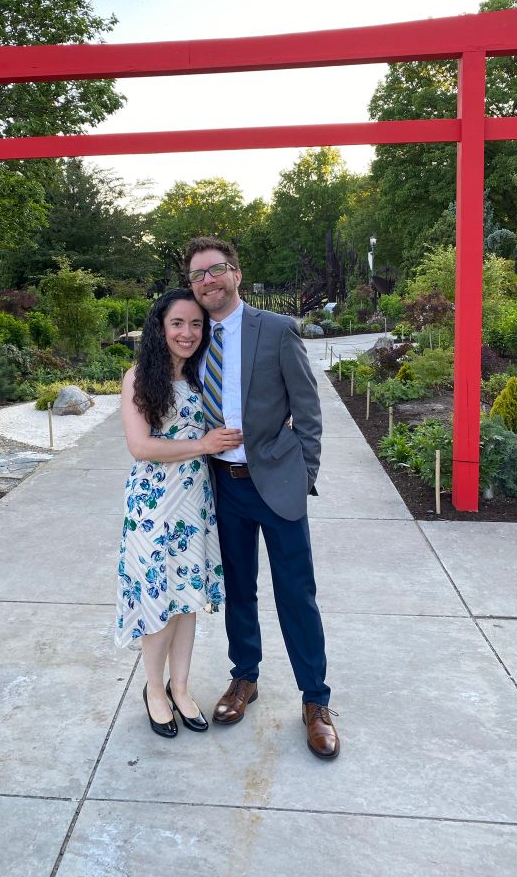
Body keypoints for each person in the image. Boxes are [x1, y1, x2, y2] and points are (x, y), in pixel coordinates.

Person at [184, 236, 340, 759]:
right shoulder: (192, 336)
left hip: (276, 484)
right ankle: (243, 678)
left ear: (236, 274)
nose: (209, 279)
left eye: (217, 269)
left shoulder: (275, 329)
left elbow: (308, 409)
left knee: (297, 593)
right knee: (239, 591)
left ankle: (315, 701)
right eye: (199, 274)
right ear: (192, 286)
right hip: (223, 486)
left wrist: (305, 473)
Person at [115, 288, 243, 738]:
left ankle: (182, 687)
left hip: (195, 501)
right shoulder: (139, 378)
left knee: (186, 599)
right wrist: (203, 445)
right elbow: (141, 446)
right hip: (154, 503)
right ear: (159, 328)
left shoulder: (200, 376)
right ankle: (154, 690)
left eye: (195, 324)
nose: (187, 333)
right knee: (158, 599)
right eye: (177, 324)